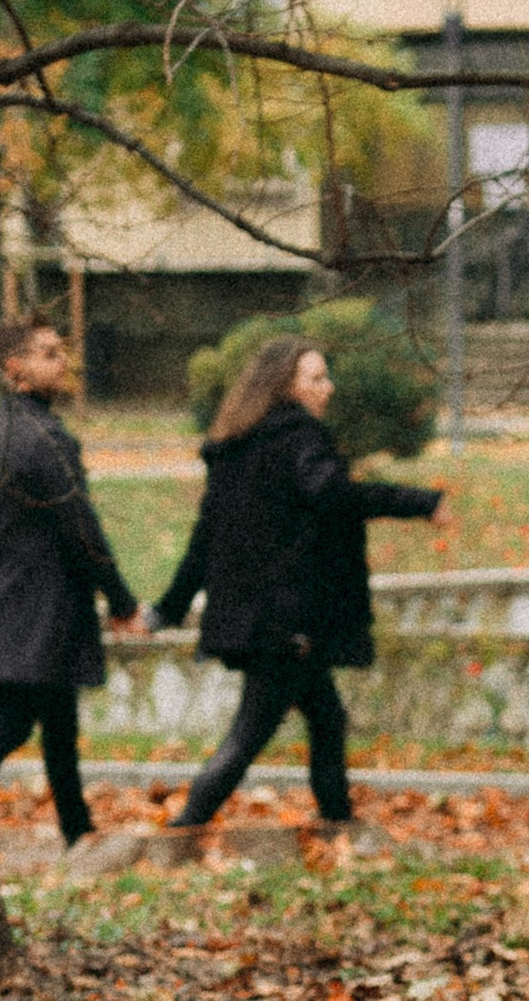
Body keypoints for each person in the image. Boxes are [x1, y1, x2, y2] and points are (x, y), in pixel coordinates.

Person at [149, 336, 441, 858]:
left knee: (326, 718)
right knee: (250, 734)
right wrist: (419, 503)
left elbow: (205, 539)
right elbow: (332, 494)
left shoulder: (239, 445)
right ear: (286, 386)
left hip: (264, 619)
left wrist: (169, 608)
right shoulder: (299, 438)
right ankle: (179, 835)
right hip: (287, 623)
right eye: (316, 378)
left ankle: (337, 825)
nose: (327, 389)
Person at [0, 315, 141, 862]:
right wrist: (121, 601)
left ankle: (78, 833)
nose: (63, 362)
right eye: (49, 354)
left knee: (58, 725)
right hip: (44, 611)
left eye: (61, 351)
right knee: (8, 727)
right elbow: (83, 528)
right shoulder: (46, 440)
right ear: (15, 370)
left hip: (11, 610)